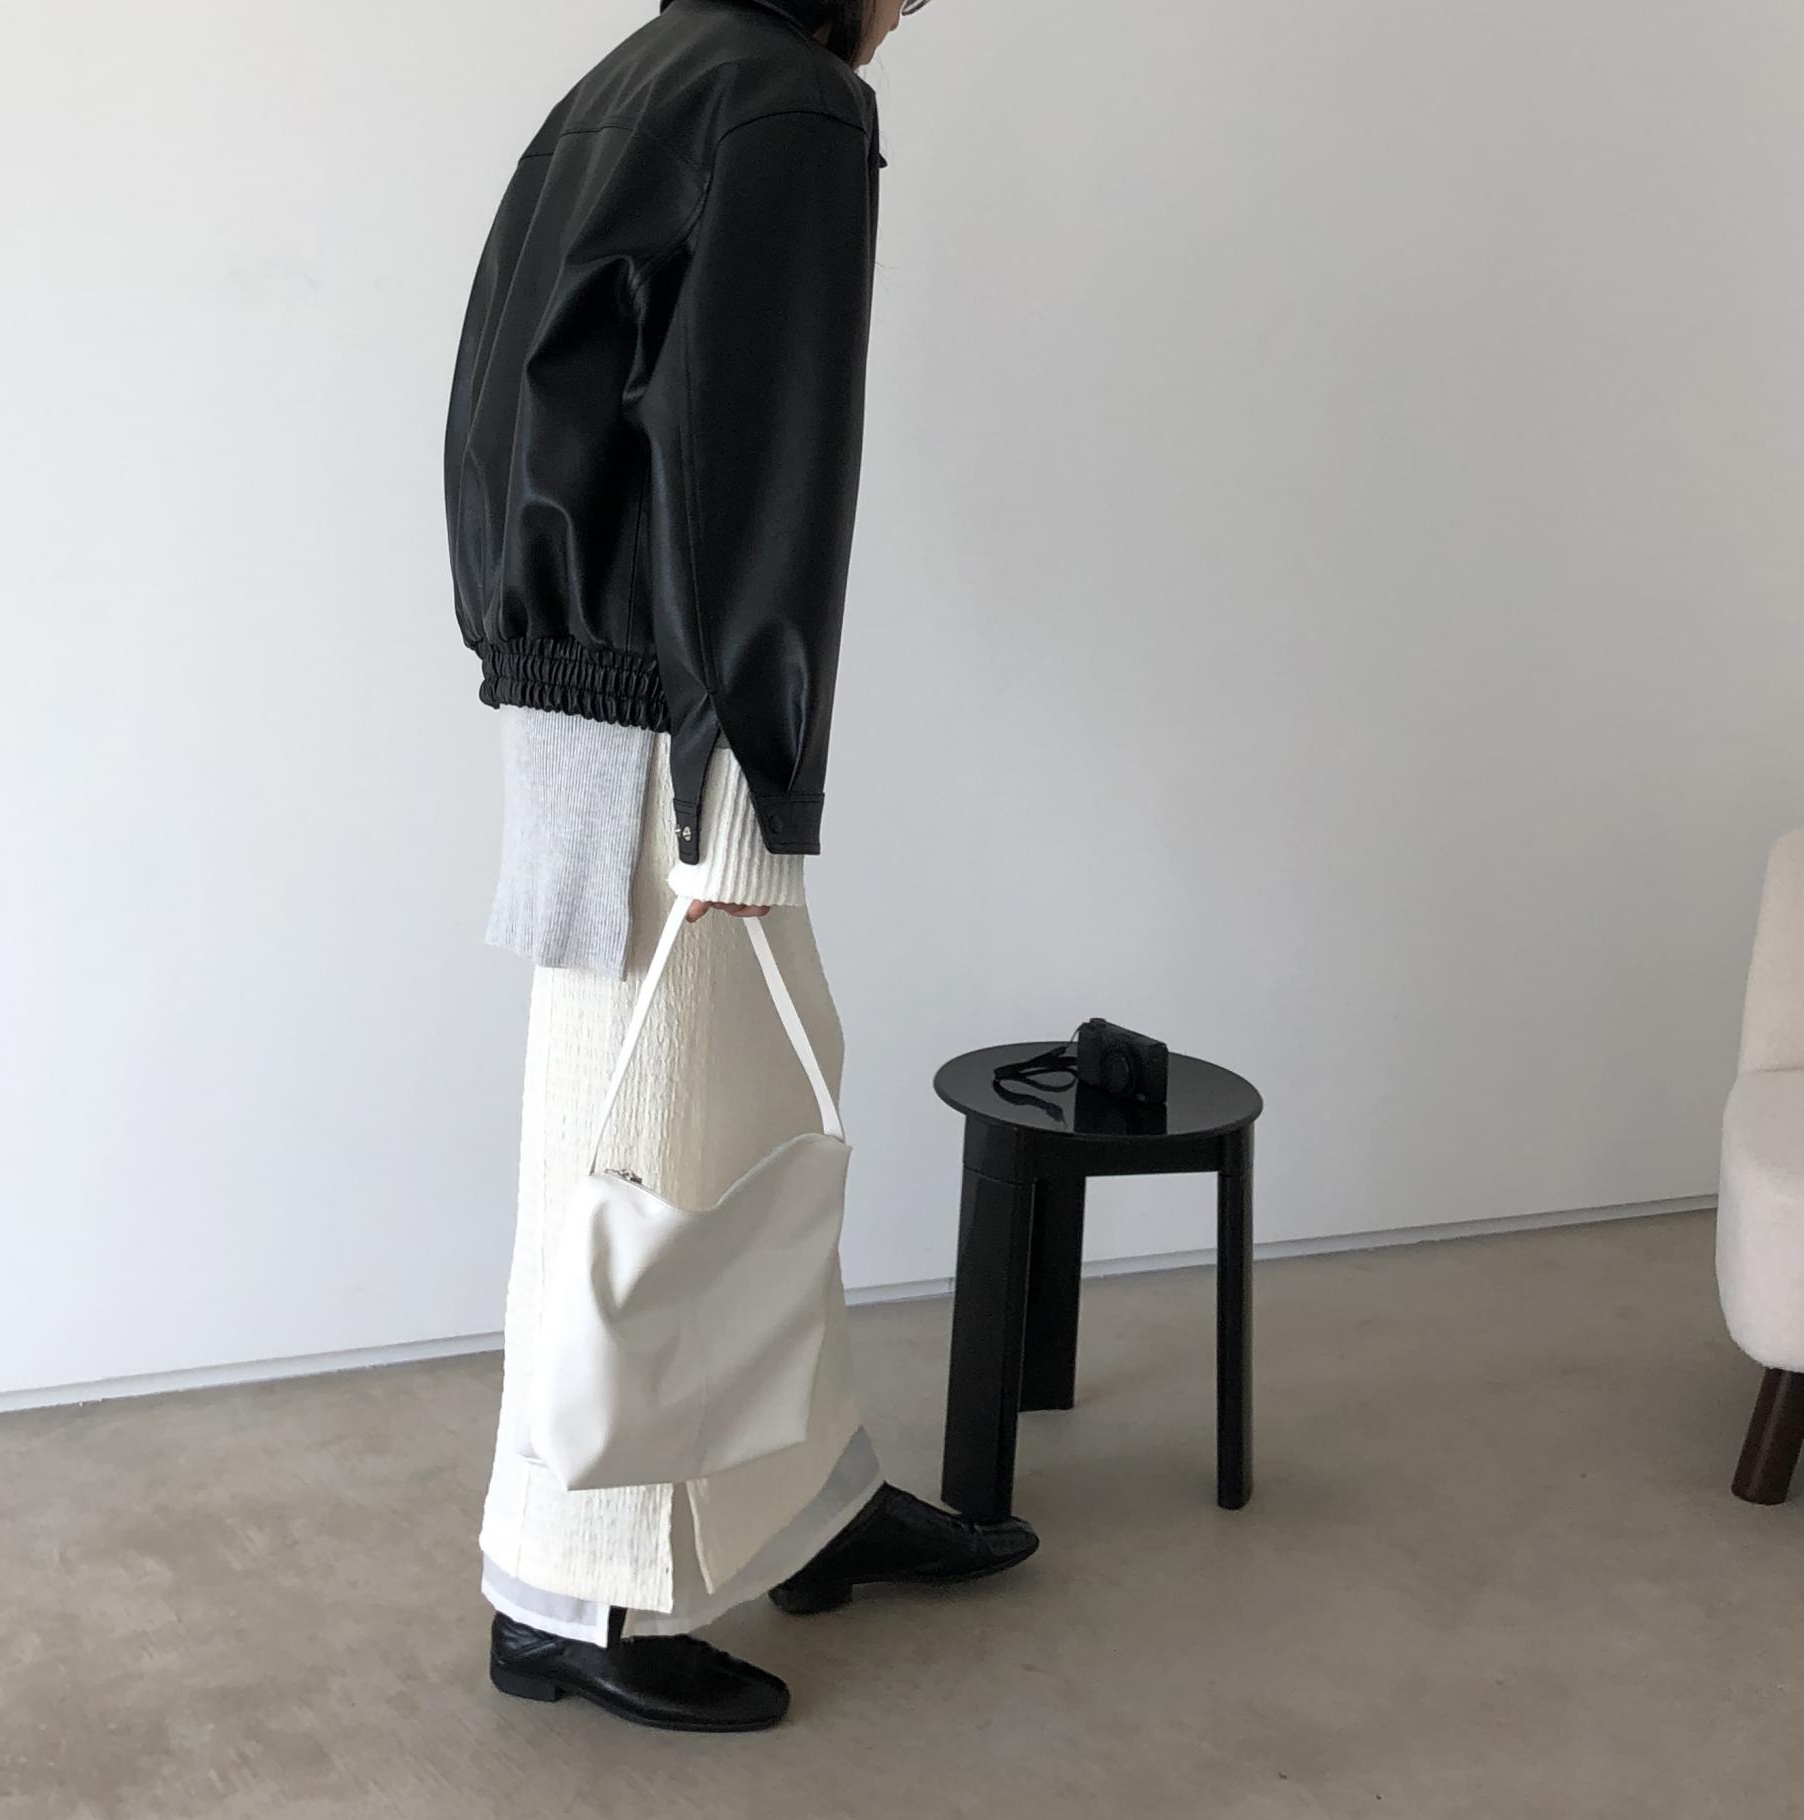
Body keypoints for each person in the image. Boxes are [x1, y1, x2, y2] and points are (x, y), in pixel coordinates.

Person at [443, 0, 1037, 1735]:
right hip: (676, 716)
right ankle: (572, 1596)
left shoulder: (635, 77)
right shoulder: (788, 104)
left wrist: (545, 655)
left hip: (581, 689)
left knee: (731, 1115)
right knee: (651, 1154)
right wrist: (750, 755)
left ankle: (808, 1499)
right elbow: (752, 461)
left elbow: (494, 408)